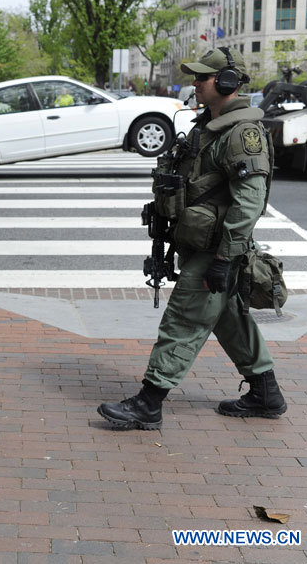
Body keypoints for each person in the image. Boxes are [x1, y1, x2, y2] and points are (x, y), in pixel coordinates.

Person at [98, 47, 286, 430]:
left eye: (202, 78)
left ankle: (150, 402)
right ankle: (266, 393)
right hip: (202, 245)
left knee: (183, 320)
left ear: (227, 82)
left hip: (216, 250)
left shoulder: (241, 133)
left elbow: (249, 204)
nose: (195, 84)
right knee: (229, 318)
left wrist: (223, 259)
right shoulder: (207, 126)